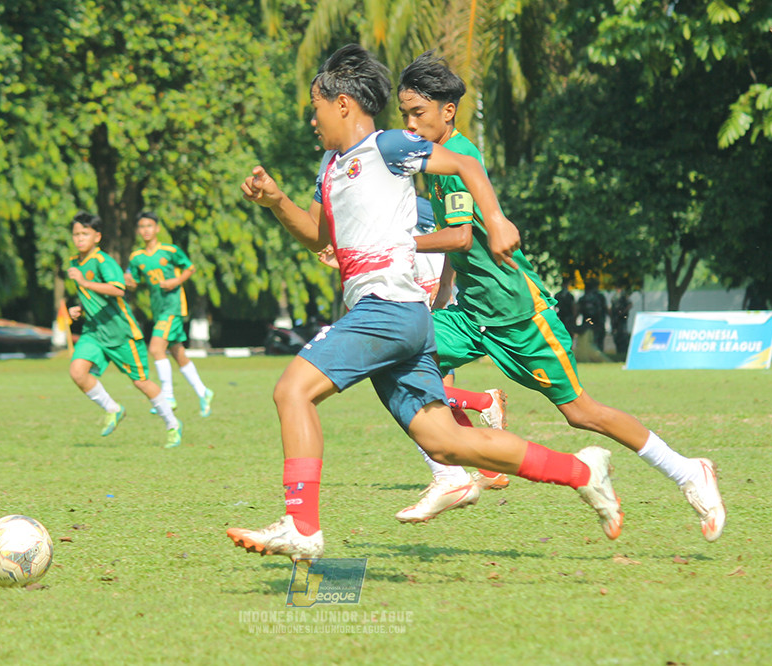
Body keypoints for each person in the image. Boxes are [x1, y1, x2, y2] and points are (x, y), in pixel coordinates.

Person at [227, 44, 623, 562]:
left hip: (388, 309)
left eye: (315, 106)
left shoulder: (388, 145)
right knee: (447, 443)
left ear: (342, 103)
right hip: (403, 318)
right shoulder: (330, 165)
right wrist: (277, 202)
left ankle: (301, 526)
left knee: (292, 391)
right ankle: (582, 470)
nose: (311, 119)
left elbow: (465, 164)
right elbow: (318, 235)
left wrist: (496, 220)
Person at [397, 51, 725, 541]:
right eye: (403, 114)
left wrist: (393, 245)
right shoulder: (436, 159)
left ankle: (687, 470)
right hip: (472, 314)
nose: (409, 124)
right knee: (402, 354)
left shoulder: (455, 159)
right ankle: (456, 473)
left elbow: (460, 236)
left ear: (448, 111)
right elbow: (461, 241)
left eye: (417, 113)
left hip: (517, 315)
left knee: (581, 413)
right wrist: (443, 291)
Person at [319, 198, 511, 523]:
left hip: (419, 326)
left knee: (418, 404)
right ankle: (490, 470)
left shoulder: (412, 246)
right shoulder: (434, 244)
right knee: (439, 409)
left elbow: (392, 278)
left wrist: (346, 261)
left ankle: (483, 405)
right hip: (435, 320)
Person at [66, 211, 184, 448]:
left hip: (121, 333)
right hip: (94, 332)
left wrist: (85, 282)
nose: (79, 238)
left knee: (141, 382)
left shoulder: (103, 261)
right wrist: (78, 308)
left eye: (85, 234)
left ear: (97, 237)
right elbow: (90, 296)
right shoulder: (74, 263)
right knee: (77, 372)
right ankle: (113, 408)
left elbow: (118, 289)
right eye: (76, 234)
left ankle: (172, 424)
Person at [125, 211, 214, 417]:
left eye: (149, 226)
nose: (146, 230)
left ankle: (167, 396)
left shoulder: (170, 251)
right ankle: (204, 392)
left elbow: (190, 268)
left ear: (157, 229)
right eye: (142, 227)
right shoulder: (136, 257)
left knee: (156, 348)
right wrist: (127, 281)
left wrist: (176, 281)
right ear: (138, 231)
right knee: (177, 352)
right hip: (158, 309)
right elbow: (134, 282)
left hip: (173, 307)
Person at [578, 277, 608, 351]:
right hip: (599, 321)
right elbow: (605, 308)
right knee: (599, 340)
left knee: (587, 339)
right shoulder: (600, 297)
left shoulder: (583, 298)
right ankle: (599, 353)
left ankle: (588, 352)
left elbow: (578, 310)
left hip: (587, 321)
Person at [610, 286, 633, 357]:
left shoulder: (623, 295)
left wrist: (623, 312)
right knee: (616, 335)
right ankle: (619, 350)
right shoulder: (614, 296)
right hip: (615, 319)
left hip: (621, 319)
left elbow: (630, 304)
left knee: (622, 335)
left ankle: (623, 351)